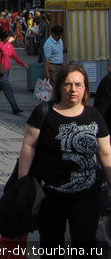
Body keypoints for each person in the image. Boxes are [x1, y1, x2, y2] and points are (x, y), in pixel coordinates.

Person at [17, 64, 111, 253]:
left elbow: (105, 153)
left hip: (87, 194)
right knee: (52, 244)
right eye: (68, 84)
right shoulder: (44, 112)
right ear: (59, 86)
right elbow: (28, 146)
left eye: (78, 84)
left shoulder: (94, 116)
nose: (73, 89)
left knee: (85, 243)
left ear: (85, 87)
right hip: (51, 194)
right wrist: (22, 183)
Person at [0, 31, 27, 114]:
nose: (10, 39)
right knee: (8, 89)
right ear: (5, 38)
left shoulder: (10, 46)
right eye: (8, 37)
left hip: (7, 70)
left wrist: (23, 64)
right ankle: (14, 107)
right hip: (0, 70)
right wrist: (8, 42)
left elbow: (15, 56)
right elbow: (2, 50)